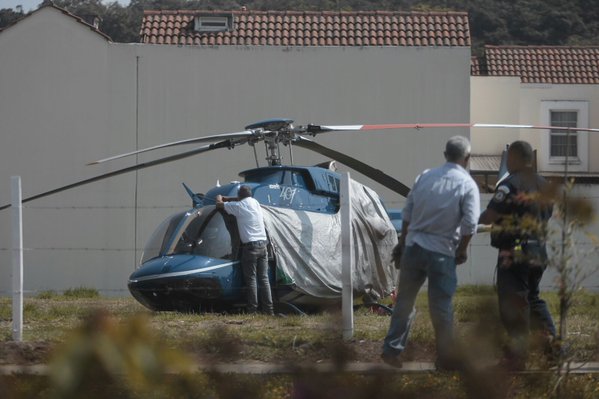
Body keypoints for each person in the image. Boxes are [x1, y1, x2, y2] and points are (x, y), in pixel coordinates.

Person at [381, 136, 480, 370]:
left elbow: (407, 214)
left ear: (445, 155)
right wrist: (462, 250)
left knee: (405, 302)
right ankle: (445, 358)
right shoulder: (467, 185)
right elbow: (470, 224)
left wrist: (404, 243)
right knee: (441, 306)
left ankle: (391, 350)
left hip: (414, 247)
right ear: (467, 159)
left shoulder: (425, 177)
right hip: (442, 252)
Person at [479, 140, 556, 370]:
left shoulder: (510, 184)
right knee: (533, 298)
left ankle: (517, 356)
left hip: (515, 253)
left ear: (513, 158)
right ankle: (552, 348)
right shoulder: (544, 185)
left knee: (512, 304)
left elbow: (491, 215)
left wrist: (473, 219)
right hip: (538, 251)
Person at [216, 185, 274, 315]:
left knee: (251, 280)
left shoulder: (239, 207)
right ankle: (269, 310)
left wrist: (220, 197)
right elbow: (241, 198)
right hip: (263, 246)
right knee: (264, 279)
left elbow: (220, 205)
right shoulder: (256, 203)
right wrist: (230, 198)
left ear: (239, 196)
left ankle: (252, 310)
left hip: (251, 248)